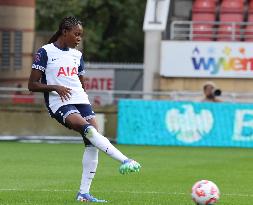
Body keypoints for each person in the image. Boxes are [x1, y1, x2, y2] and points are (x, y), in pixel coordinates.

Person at [28, 16, 141, 203]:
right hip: (59, 103)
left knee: (92, 140)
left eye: (81, 35)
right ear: (65, 32)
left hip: (80, 99)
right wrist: (55, 87)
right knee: (88, 130)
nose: (79, 38)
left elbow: (80, 83)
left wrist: (85, 99)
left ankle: (84, 194)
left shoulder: (77, 55)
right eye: (76, 34)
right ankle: (125, 160)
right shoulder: (45, 52)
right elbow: (32, 85)